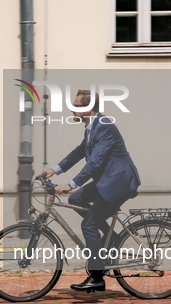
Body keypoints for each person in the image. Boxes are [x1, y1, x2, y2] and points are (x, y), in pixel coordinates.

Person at [42, 89, 140, 292]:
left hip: (118, 183)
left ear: (89, 109)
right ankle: (110, 237)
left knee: (88, 224)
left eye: (76, 106)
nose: (72, 109)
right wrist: (55, 170)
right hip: (107, 182)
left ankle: (97, 277)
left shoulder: (104, 127)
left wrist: (71, 184)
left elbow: (95, 162)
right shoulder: (91, 127)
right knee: (76, 199)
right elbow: (79, 152)